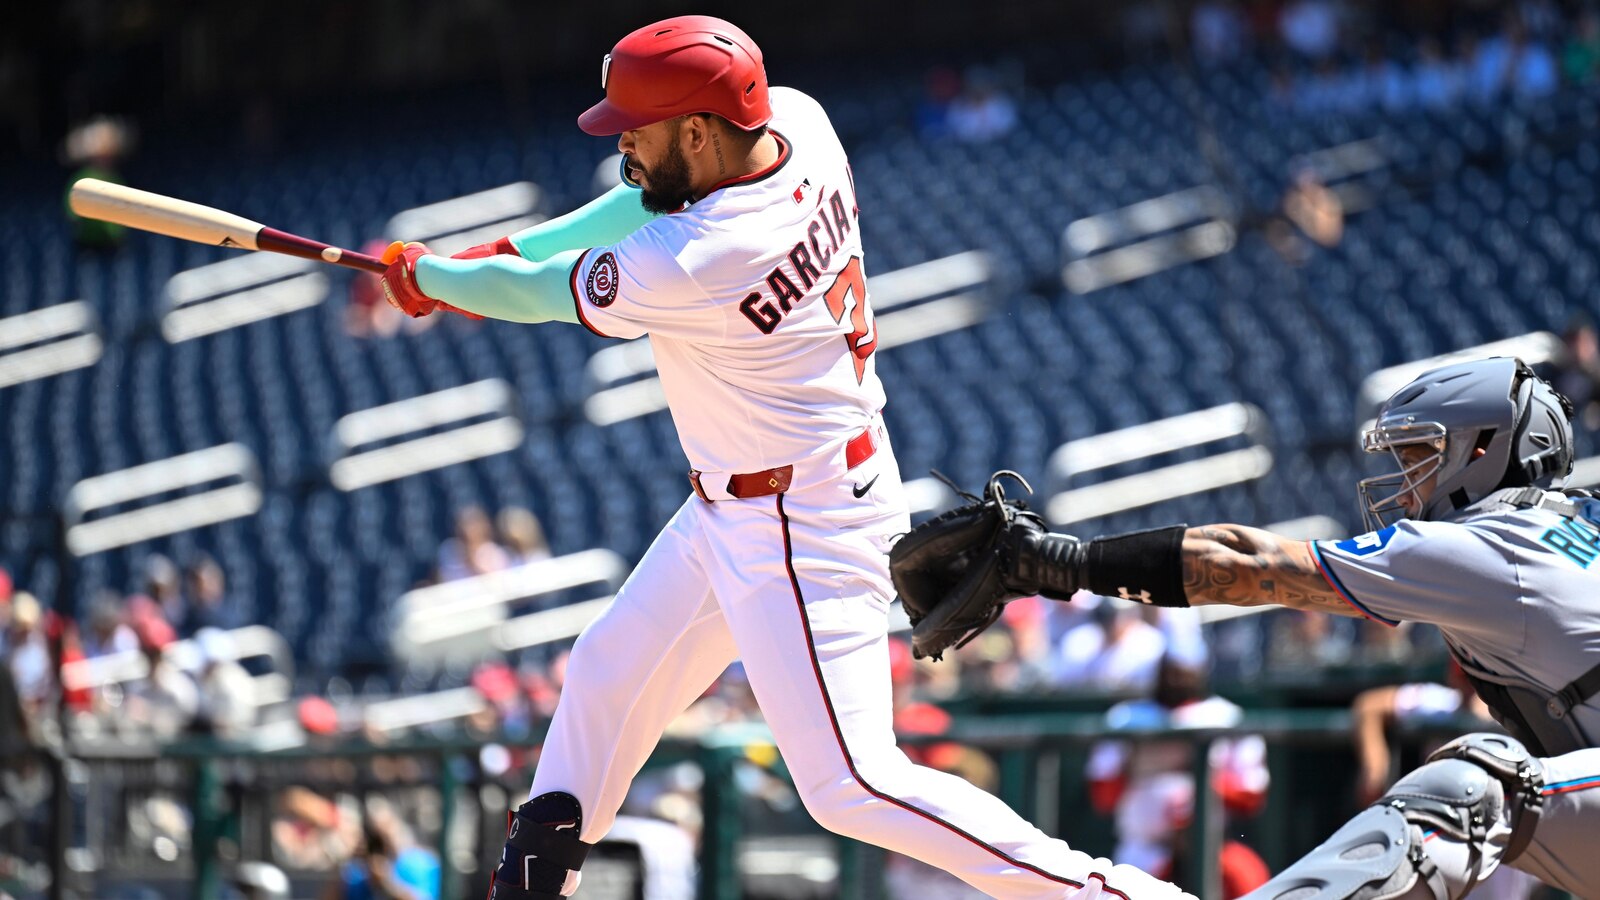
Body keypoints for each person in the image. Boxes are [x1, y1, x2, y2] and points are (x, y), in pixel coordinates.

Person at [377, 15, 1193, 900]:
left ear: (697, 130)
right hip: (755, 494)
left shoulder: (701, 256)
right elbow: (636, 203)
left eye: (639, 130)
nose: (627, 147)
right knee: (608, 668)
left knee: (852, 784)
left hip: (798, 521)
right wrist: (497, 252)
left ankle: (1110, 894)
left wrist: (438, 276)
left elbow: (545, 295)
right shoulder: (797, 122)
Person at [894, 356, 1600, 898]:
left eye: (1419, 456)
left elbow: (1246, 564)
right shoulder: (1568, 529)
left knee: (1473, 789)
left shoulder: (1487, 541)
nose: (1405, 484)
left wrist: (1061, 564)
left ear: (1483, 450)